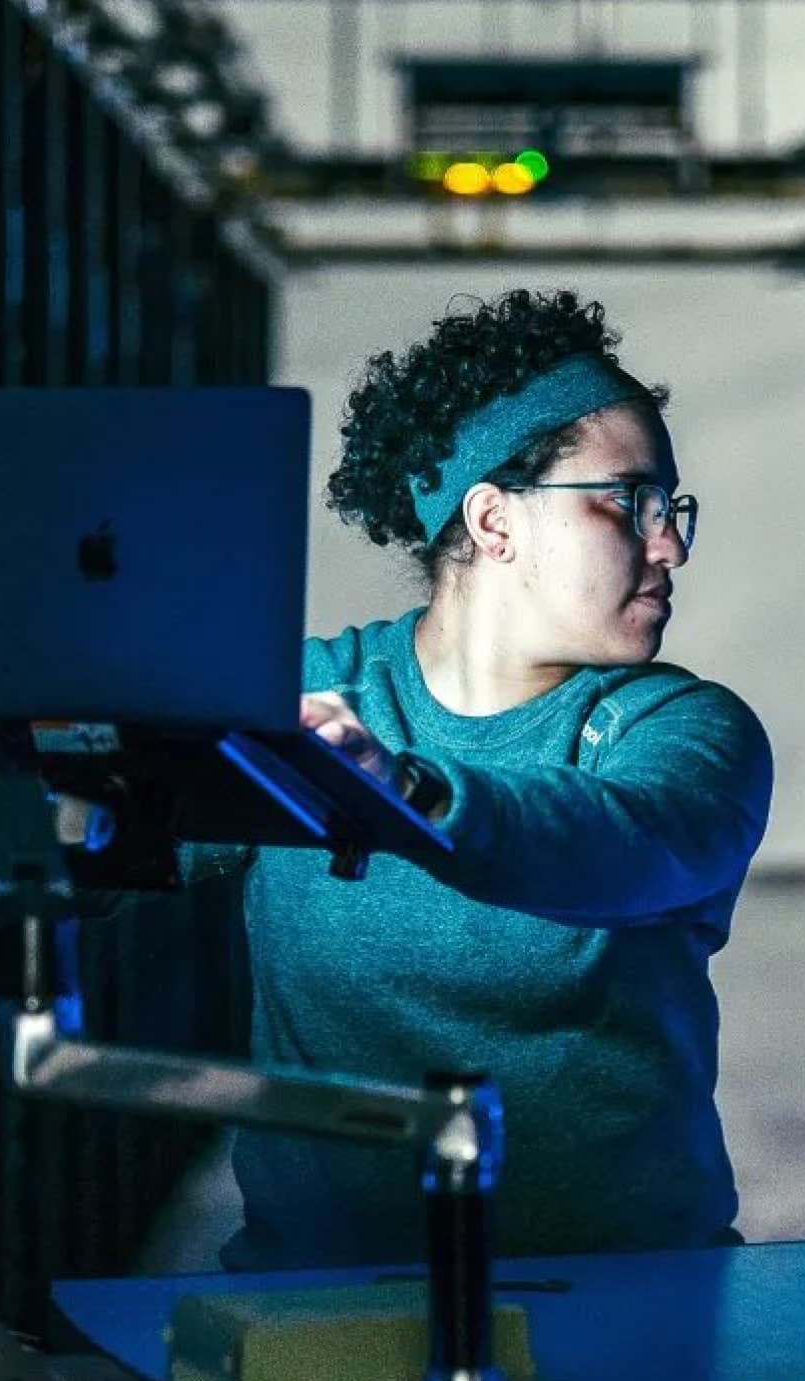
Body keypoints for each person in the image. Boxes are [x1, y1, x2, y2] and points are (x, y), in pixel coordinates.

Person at [201, 288, 774, 1271]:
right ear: (495, 520)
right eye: (634, 501)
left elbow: (621, 840)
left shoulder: (680, 728)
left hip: (630, 1300)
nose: (670, 544)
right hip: (319, 1300)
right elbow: (110, 837)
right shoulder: (300, 701)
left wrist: (408, 793)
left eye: (672, 510)